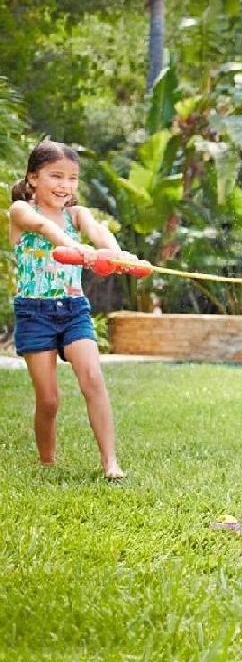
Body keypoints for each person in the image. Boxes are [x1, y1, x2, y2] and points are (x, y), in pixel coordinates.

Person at [9, 140, 138, 480]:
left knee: (93, 378)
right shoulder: (21, 212)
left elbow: (100, 235)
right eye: (56, 176)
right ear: (33, 178)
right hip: (34, 313)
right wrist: (75, 248)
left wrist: (117, 255)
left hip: (74, 310)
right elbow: (45, 229)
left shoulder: (77, 215)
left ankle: (111, 463)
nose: (65, 186)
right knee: (49, 399)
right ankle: (47, 460)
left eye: (72, 178)